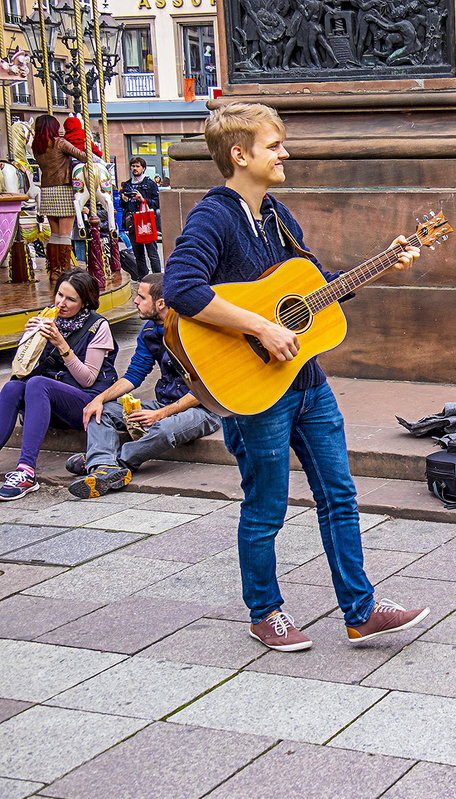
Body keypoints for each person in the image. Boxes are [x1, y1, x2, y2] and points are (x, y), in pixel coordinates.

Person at [163, 102, 429, 652]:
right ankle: (265, 613)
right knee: (267, 507)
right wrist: (260, 327)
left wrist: (382, 262)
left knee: (340, 495)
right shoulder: (214, 217)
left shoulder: (279, 215)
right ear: (240, 155)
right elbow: (181, 288)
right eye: (273, 145)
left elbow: (310, 294)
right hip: (253, 389)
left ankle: (360, 611)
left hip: (306, 380)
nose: (285, 153)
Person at [67, 274, 222, 499]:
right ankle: (103, 464)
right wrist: (99, 399)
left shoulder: (194, 330)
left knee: (165, 429)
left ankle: (113, 461)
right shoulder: (149, 331)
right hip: (164, 403)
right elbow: (133, 376)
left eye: (141, 297)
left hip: (203, 410)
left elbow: (204, 390)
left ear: (160, 303)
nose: (135, 301)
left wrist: (160, 414)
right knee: (101, 412)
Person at [0, 269, 118, 500]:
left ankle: (26, 472)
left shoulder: (98, 326)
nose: (61, 303)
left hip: (86, 404)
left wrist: (62, 345)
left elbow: (87, 379)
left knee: (38, 384)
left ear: (85, 302)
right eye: (59, 295)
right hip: (47, 399)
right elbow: (22, 373)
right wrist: (29, 341)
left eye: (71, 299)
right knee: (13, 387)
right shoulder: (48, 319)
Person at [31, 115, 88, 282]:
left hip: (47, 191)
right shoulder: (59, 142)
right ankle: (64, 270)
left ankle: (54, 270)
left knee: (54, 234)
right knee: (65, 234)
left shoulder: (37, 146)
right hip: (63, 189)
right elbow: (83, 156)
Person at [120, 157, 162, 277]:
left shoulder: (150, 184)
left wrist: (142, 199)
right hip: (132, 221)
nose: (135, 168)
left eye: (137, 166)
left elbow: (157, 202)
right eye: (133, 166)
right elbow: (122, 205)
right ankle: (143, 278)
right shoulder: (127, 185)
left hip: (146, 220)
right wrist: (124, 200)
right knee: (138, 254)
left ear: (143, 168)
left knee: (152, 253)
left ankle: (157, 278)